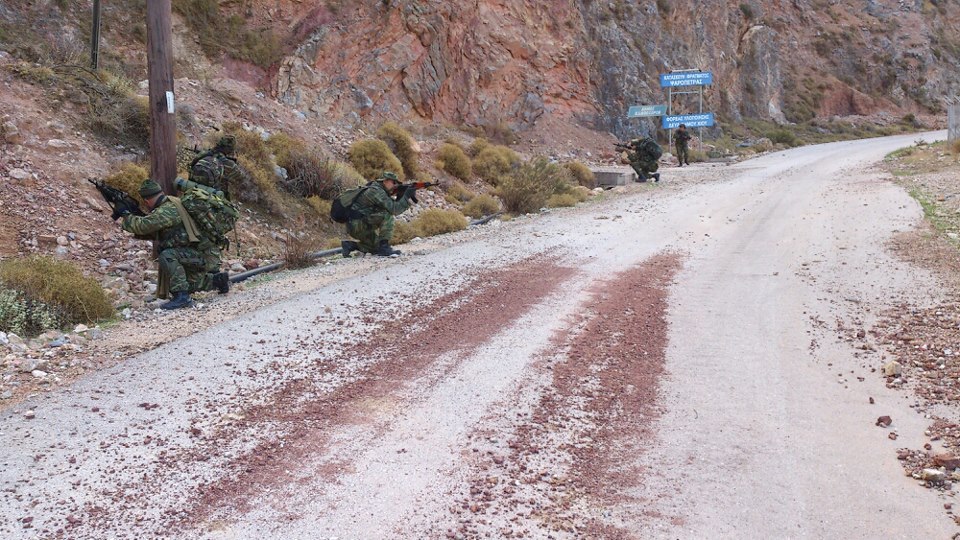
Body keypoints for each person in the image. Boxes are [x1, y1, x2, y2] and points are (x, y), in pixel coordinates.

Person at [119, 179, 229, 310]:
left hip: (201, 255)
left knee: (167, 255)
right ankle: (218, 281)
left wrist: (125, 214)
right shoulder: (174, 201)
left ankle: (182, 297)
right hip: (203, 253)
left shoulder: (166, 210)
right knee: (187, 284)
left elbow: (142, 226)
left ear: (147, 201)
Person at [341, 171, 415, 258]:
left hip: (357, 225)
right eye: (393, 182)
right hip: (357, 225)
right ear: (385, 181)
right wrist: (406, 197)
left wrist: (401, 196)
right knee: (387, 215)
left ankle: (350, 245)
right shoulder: (376, 191)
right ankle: (384, 247)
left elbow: (392, 205)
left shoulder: (379, 189)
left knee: (376, 248)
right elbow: (394, 209)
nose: (395, 185)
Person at [189, 135, 247, 200]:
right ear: (230, 149)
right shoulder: (229, 163)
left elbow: (191, 165)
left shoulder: (203, 154)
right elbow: (240, 176)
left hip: (192, 188)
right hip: (212, 195)